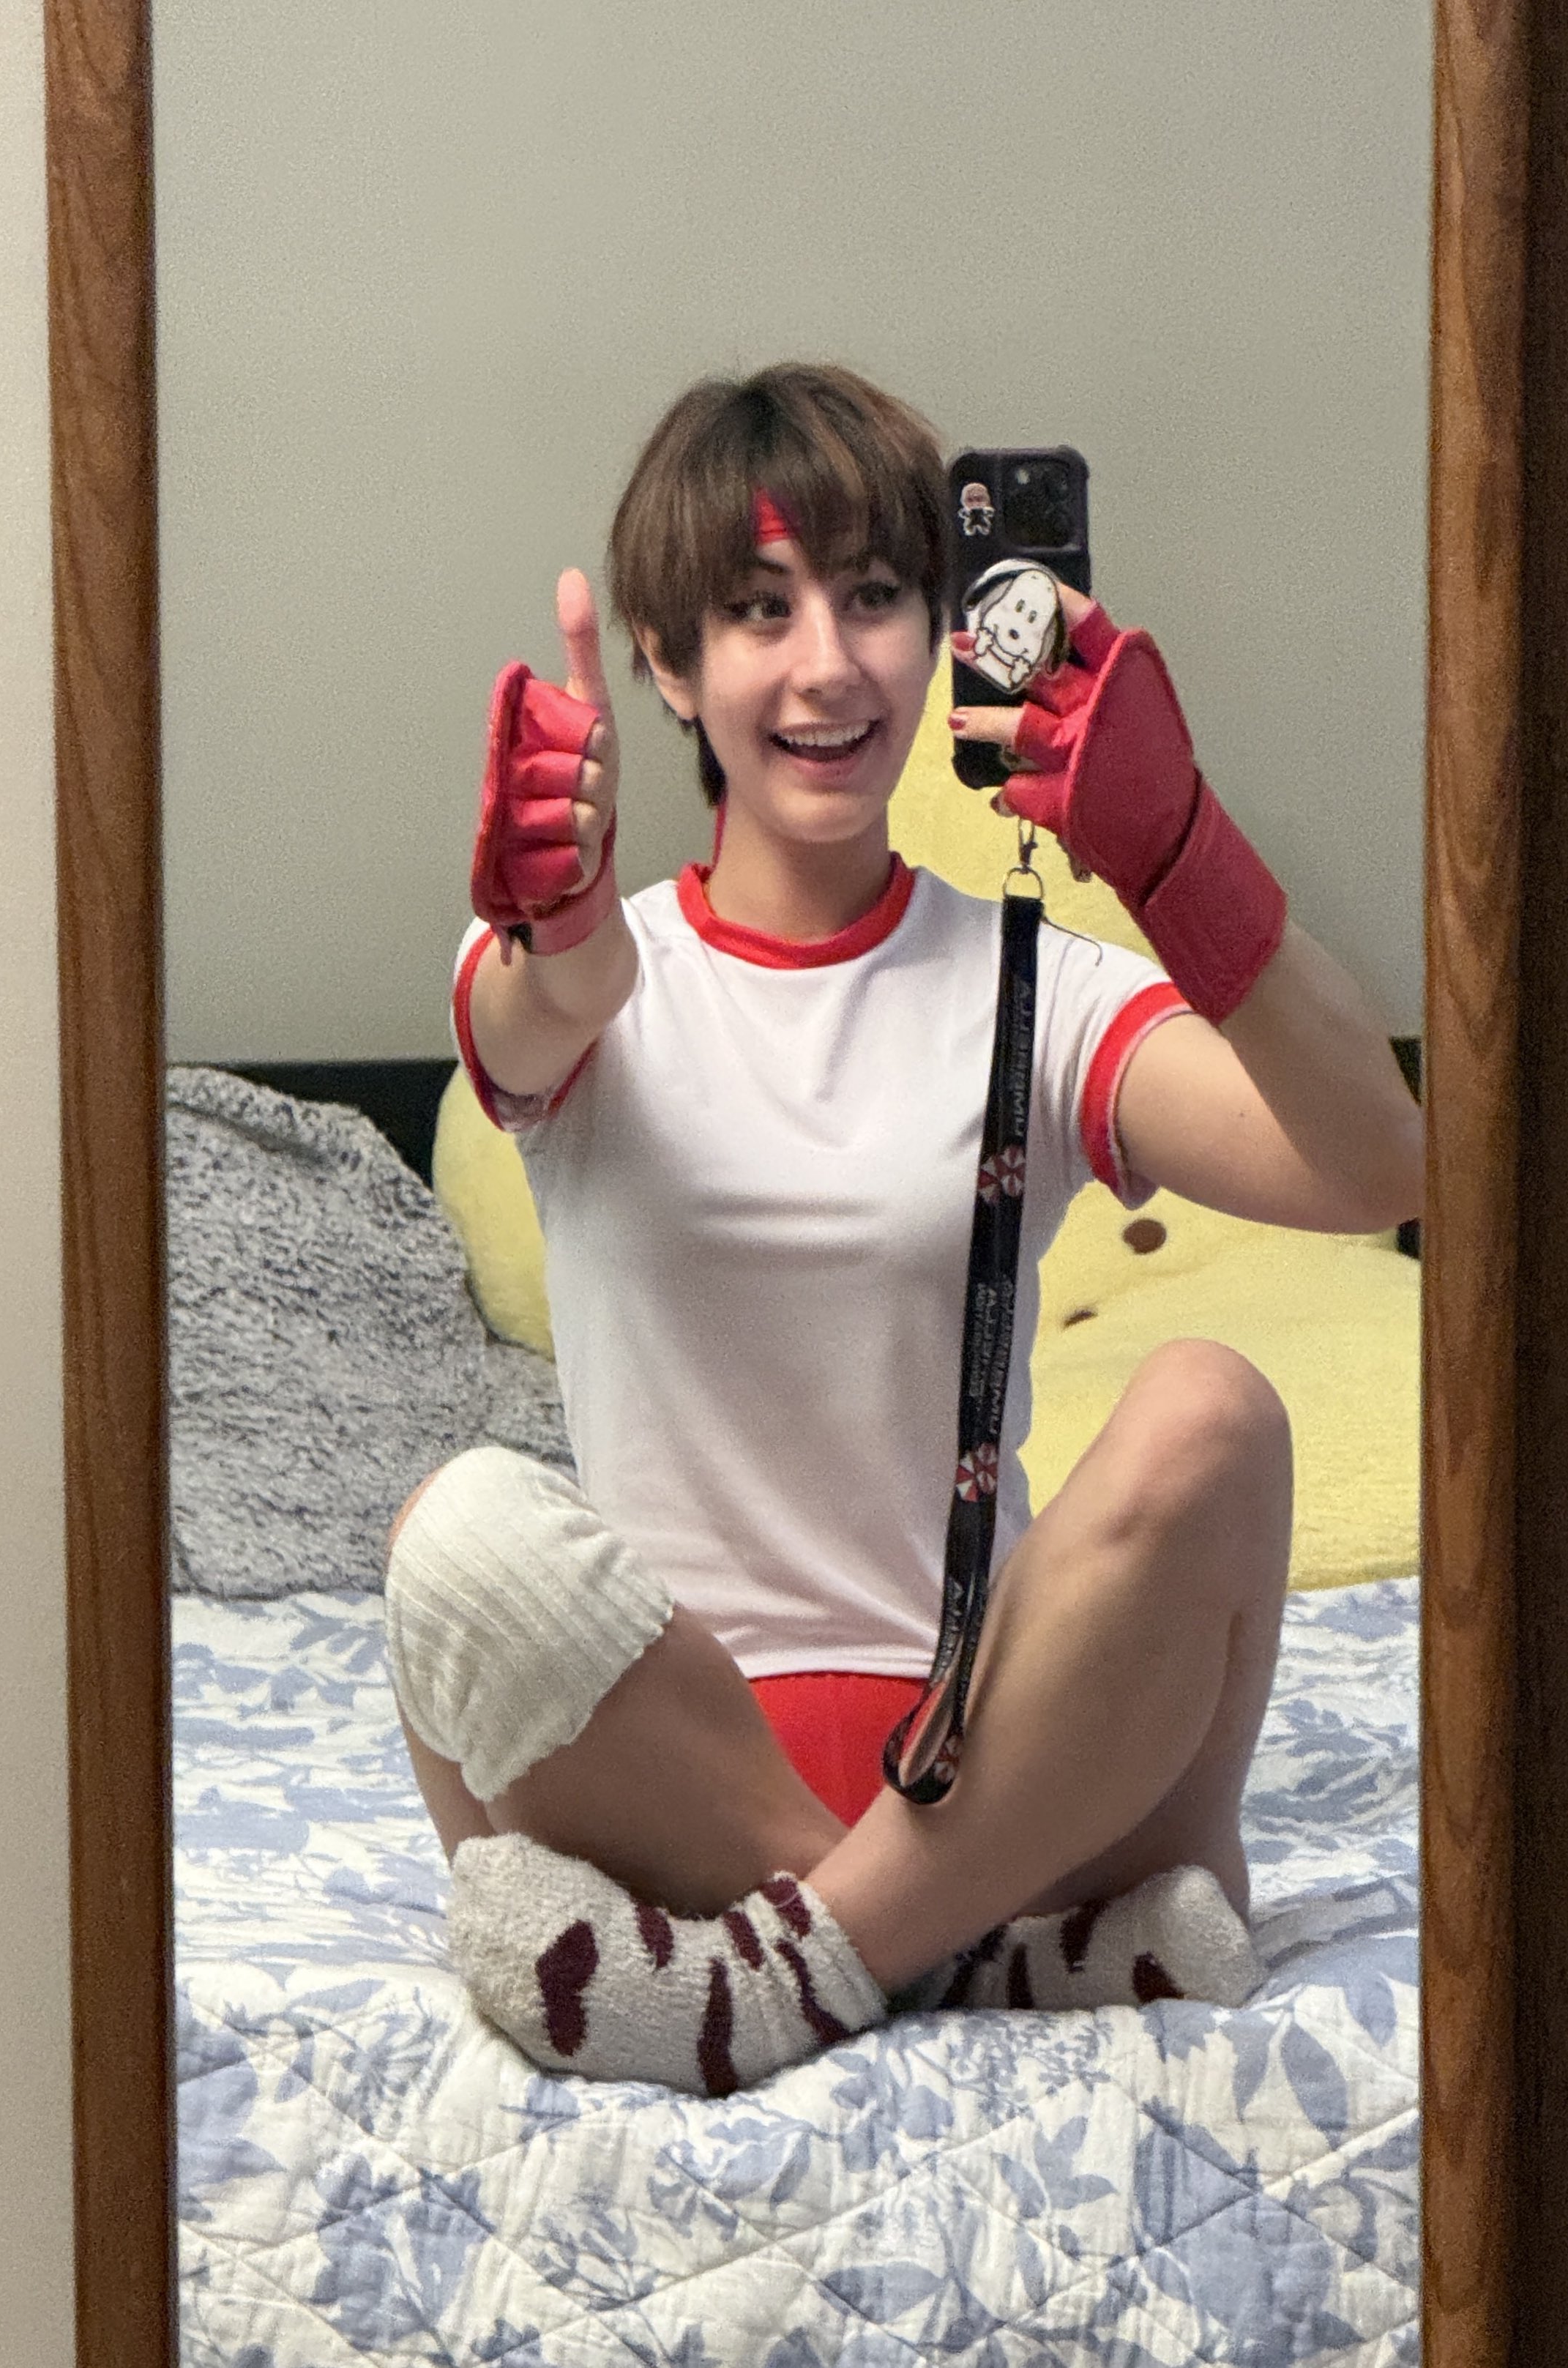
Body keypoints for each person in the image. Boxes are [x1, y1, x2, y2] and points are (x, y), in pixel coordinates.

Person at [384, 362, 1424, 2098]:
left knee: (1215, 1411)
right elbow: (532, 1015)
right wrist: (556, 939)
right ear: (667, 665)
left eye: (874, 597)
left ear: (942, 633)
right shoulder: (596, 981)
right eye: (757, 610)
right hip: (680, 1764)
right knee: (452, 1531)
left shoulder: (1038, 984)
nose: (827, 664)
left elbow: (1380, 1169)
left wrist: (1181, 852)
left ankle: (780, 1975)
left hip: (1016, 1748)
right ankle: (978, 1959)